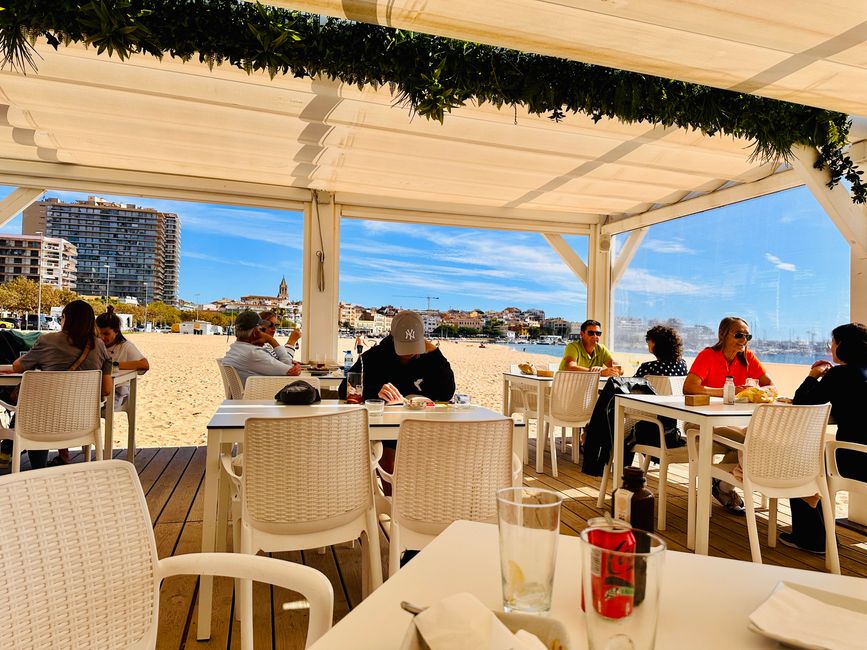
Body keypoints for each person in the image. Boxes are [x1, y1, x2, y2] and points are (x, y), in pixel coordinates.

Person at [339, 311, 456, 497]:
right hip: (387, 428)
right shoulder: (375, 356)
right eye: (403, 347)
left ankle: (428, 501)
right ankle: (393, 505)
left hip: (424, 425)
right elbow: (346, 388)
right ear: (391, 337)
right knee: (388, 454)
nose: (408, 353)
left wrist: (435, 352)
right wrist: (375, 391)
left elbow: (446, 392)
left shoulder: (430, 358)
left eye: (413, 346)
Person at [783, 323, 867, 554]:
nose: (831, 348)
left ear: (842, 345)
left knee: (797, 461)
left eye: (833, 343)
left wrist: (813, 376)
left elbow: (801, 404)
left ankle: (812, 537)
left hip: (856, 461)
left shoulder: (841, 374)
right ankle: (817, 525)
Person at [0, 300, 112, 469]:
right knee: (36, 410)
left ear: (65, 318)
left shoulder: (47, 340)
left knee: (33, 411)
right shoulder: (100, 346)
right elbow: (106, 389)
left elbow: (17, 366)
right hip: (82, 422)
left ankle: (29, 464)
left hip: (44, 423)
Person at [683, 316, 775, 514]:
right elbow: (689, 387)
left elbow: (770, 384)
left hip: (732, 423)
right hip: (699, 422)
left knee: (751, 441)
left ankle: (721, 485)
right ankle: (723, 486)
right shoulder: (708, 355)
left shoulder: (748, 357)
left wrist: (760, 392)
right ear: (722, 334)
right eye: (739, 335)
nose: (744, 339)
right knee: (750, 441)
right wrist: (727, 391)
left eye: (747, 335)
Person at [222, 311, 302, 386]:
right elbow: (289, 366)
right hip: (259, 397)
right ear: (255, 333)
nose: (265, 334)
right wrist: (271, 340)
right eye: (262, 330)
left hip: (246, 396)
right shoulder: (254, 353)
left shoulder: (236, 348)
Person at [96, 305, 149, 411]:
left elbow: (144, 365)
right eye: (98, 333)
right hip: (96, 389)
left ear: (116, 331)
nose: (102, 337)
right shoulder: (95, 344)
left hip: (117, 390)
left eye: (106, 334)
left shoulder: (125, 346)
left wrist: (113, 366)